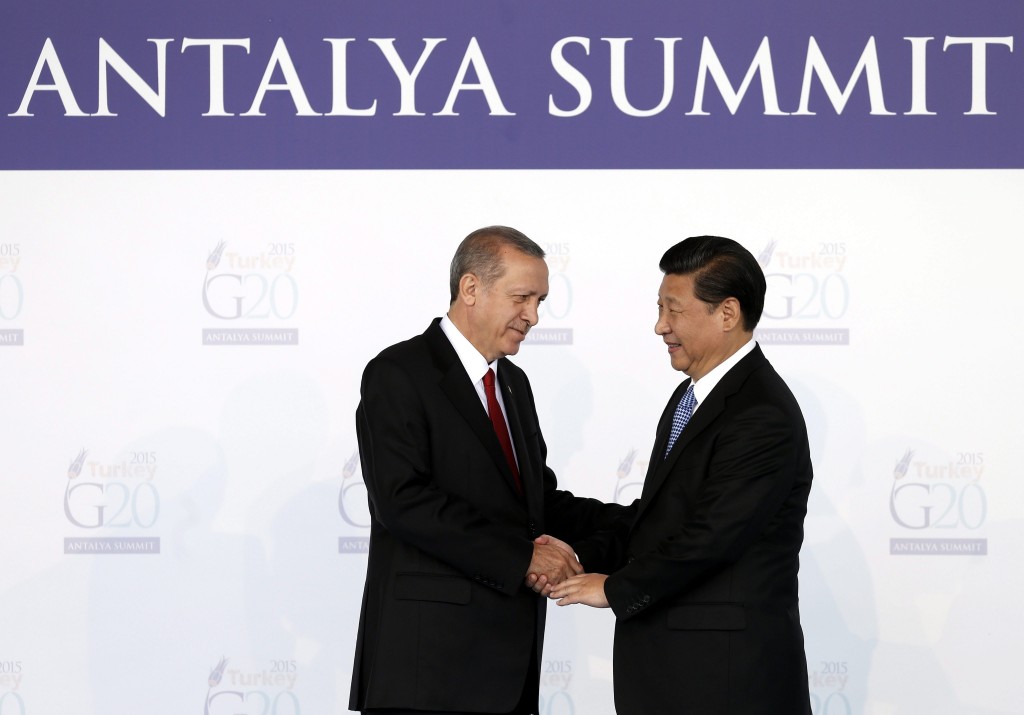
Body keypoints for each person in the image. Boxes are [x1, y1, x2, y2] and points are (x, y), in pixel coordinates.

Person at [350, 226, 622, 715]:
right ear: (470, 288)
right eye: (522, 297)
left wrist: (645, 520)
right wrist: (523, 557)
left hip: (508, 674)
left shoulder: (513, 385)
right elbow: (404, 502)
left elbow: (538, 504)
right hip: (426, 675)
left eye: (540, 300)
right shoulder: (398, 373)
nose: (533, 316)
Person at [551, 235, 813, 715]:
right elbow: (660, 521)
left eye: (674, 311)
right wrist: (573, 547)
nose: (659, 326)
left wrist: (613, 588)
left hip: (726, 680)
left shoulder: (761, 414)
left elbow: (711, 537)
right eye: (659, 308)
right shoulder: (690, 397)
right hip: (677, 675)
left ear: (727, 313)